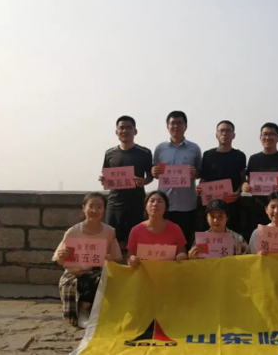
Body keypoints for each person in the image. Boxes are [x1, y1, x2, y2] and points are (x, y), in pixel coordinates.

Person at [53, 192, 122, 328]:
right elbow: (60, 261)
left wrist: (109, 260)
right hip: (75, 274)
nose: (95, 210)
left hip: (98, 272)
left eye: (99, 207)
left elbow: (116, 259)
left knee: (102, 278)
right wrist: (62, 256)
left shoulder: (109, 232)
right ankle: (82, 313)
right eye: (91, 206)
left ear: (104, 209)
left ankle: (90, 311)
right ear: (84, 208)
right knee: (91, 280)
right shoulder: (73, 232)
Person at [99, 115, 153, 247]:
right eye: (121, 128)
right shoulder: (109, 153)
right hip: (114, 204)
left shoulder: (144, 153)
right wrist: (103, 180)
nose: (125, 131)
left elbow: (150, 176)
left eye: (129, 128)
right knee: (111, 244)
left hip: (136, 205)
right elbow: (106, 175)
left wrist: (143, 181)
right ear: (116, 132)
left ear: (135, 131)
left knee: (135, 244)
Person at [152, 111, 202, 247]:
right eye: (172, 123)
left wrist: (194, 173)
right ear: (167, 126)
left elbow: (199, 172)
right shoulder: (160, 149)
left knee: (184, 243)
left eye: (179, 123)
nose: (176, 126)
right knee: (163, 243)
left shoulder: (194, 148)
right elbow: (156, 173)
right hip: (164, 204)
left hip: (186, 205)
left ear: (186, 126)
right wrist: (154, 172)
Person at [242, 123, 278, 240]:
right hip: (257, 208)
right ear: (260, 137)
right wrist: (245, 186)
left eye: (272, 134)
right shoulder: (253, 159)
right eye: (265, 134)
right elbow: (248, 181)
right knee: (258, 242)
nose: (268, 137)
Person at [197, 120, 247, 234]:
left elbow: (243, 179)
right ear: (216, 134)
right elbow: (203, 178)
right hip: (211, 204)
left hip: (231, 204)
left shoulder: (239, 156)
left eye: (228, 131)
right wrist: (200, 188)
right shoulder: (208, 155)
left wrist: (238, 192)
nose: (224, 133)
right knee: (210, 234)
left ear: (233, 135)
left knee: (231, 234)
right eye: (222, 131)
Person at [127, 191, 188, 267]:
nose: (155, 204)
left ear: (166, 207)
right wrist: (131, 261)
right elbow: (129, 257)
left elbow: (182, 252)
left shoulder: (175, 228)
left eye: (159, 201)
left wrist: (181, 256)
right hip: (144, 272)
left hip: (169, 271)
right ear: (145, 206)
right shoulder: (136, 230)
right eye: (152, 201)